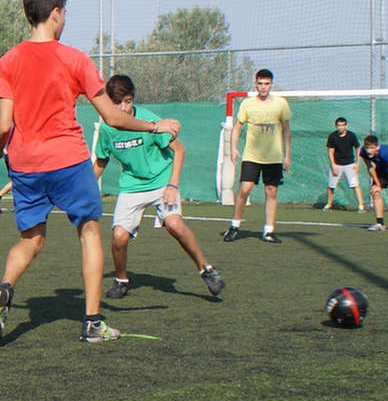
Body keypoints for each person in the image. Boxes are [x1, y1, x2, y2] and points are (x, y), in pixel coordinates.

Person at [0, 0, 178, 347]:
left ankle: (4, 290)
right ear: (56, 14)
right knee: (89, 230)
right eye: (64, 13)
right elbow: (112, 117)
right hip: (68, 160)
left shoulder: (8, 61)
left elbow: (4, 125)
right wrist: (155, 126)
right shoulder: (74, 59)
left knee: (30, 240)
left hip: (25, 163)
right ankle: (91, 323)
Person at [91, 74, 225, 300]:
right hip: (132, 185)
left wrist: (172, 185)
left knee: (174, 225)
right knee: (118, 237)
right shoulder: (107, 127)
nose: (123, 108)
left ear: (132, 99)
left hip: (162, 182)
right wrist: (83, 187)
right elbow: (101, 161)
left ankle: (206, 270)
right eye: (117, 103)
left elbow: (179, 150)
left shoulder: (149, 121)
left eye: (128, 101)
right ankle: (121, 280)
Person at [222, 68, 292, 242]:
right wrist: (233, 148)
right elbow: (237, 127)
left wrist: (287, 155)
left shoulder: (281, 103)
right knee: (244, 190)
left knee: (271, 191)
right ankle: (234, 226)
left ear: (271, 84)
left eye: (266, 83)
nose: (263, 87)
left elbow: (286, 129)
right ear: (255, 84)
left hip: (273, 157)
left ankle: (268, 231)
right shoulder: (247, 104)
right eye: (260, 83)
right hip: (251, 156)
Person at [319, 117, 365, 211]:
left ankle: (361, 206)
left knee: (355, 184)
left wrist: (357, 163)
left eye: (342, 125)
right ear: (336, 126)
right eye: (339, 125)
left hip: (349, 164)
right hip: (337, 164)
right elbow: (331, 151)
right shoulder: (332, 136)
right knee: (331, 185)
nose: (340, 127)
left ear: (346, 126)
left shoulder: (351, 135)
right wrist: (333, 165)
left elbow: (358, 149)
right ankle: (329, 204)